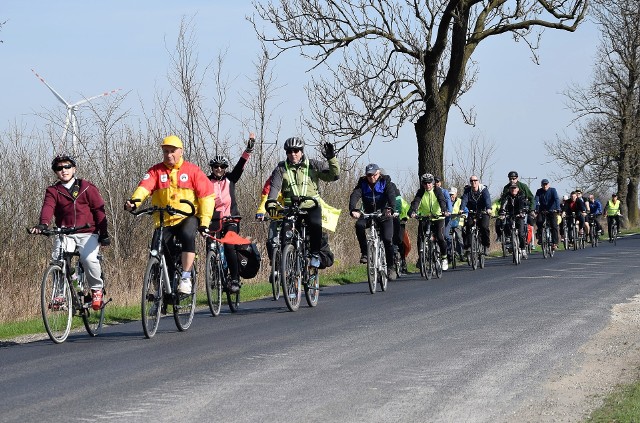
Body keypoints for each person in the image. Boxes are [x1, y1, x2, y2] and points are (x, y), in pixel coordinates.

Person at [125, 135, 215, 295]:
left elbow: (206, 197)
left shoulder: (193, 171)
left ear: (181, 151)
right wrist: (134, 202)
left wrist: (204, 222)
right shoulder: (155, 171)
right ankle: (161, 293)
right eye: (165, 151)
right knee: (156, 252)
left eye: (172, 151)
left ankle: (186, 277)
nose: (169, 155)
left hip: (186, 217)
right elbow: (144, 188)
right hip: (164, 220)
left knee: (188, 236)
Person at [30, 154, 110, 311]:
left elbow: (99, 211)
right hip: (64, 233)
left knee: (88, 259)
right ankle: (60, 294)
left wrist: (104, 233)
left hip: (87, 232)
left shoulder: (87, 187)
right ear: (56, 172)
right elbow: (48, 207)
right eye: (59, 168)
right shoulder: (53, 191)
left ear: (74, 169)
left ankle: (96, 290)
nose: (64, 170)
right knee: (58, 260)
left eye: (67, 167)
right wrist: (43, 224)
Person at [265, 137, 339, 269]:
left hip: (311, 206)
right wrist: (271, 203)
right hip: (291, 208)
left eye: (296, 150)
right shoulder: (281, 168)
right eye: (289, 151)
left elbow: (333, 176)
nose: (293, 154)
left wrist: (331, 158)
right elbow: (274, 187)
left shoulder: (313, 165)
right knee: (286, 234)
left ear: (302, 151)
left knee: (315, 225)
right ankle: (286, 265)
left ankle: (315, 255)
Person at [207, 133, 255, 293]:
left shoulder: (230, 179)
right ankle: (214, 274)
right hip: (213, 220)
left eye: (222, 167)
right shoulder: (206, 182)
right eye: (216, 167)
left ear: (225, 169)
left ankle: (234, 279)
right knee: (210, 246)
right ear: (212, 168)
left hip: (231, 220)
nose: (219, 169)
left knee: (228, 246)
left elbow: (240, 166)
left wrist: (248, 150)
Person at [349, 163, 398, 279]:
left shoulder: (385, 182)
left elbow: (391, 196)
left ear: (379, 173)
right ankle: (365, 252)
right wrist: (353, 209)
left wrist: (391, 208)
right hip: (368, 213)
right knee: (359, 225)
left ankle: (390, 266)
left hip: (384, 214)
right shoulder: (363, 183)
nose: (372, 178)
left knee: (387, 239)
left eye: (374, 175)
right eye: (369, 175)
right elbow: (355, 195)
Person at [408, 173, 449, 271]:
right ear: (422, 184)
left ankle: (444, 258)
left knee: (440, 237)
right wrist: (412, 211)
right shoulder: (421, 192)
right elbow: (416, 202)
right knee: (420, 238)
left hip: (438, 217)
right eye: (425, 183)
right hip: (425, 217)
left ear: (433, 183)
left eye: (429, 183)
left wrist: (444, 210)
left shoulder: (437, 190)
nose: (427, 185)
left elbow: (441, 201)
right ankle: (421, 257)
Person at [460, 175, 492, 255]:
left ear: (478, 181)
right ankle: (468, 247)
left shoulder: (483, 190)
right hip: (472, 212)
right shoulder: (467, 190)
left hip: (483, 211)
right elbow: (464, 200)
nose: (473, 182)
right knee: (468, 226)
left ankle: (485, 245)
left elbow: (487, 199)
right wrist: (461, 209)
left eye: (475, 180)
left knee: (484, 227)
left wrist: (488, 208)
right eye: (471, 181)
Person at [499, 183, 529, 258]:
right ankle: (509, 238)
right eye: (512, 188)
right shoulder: (507, 196)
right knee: (506, 224)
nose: (513, 190)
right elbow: (503, 204)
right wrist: (502, 211)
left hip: (519, 215)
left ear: (518, 189)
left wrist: (523, 211)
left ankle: (523, 249)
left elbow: (523, 203)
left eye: (515, 188)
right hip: (510, 214)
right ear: (509, 189)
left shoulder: (521, 195)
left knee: (521, 233)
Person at [534, 179, 560, 249]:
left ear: (549, 184)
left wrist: (558, 208)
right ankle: (540, 237)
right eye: (543, 184)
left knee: (554, 226)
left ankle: (555, 243)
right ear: (541, 185)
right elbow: (536, 200)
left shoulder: (553, 190)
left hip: (552, 210)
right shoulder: (539, 191)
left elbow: (556, 199)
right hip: (542, 210)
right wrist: (534, 209)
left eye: (546, 184)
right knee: (539, 222)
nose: (545, 186)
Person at [434, 176, 453, 261]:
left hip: (445, 216)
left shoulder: (444, 192)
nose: (436, 183)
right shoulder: (431, 192)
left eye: (438, 182)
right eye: (435, 182)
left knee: (444, 235)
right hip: (435, 216)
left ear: (440, 183)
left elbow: (448, 201)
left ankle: (448, 252)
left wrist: (449, 211)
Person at [449, 187, 464, 261]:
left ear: (456, 194)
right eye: (450, 194)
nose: (451, 196)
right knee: (447, 238)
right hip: (449, 222)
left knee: (459, 237)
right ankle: (449, 255)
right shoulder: (447, 201)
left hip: (457, 221)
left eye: (453, 194)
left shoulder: (460, 201)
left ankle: (461, 254)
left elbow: (465, 209)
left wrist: (464, 214)